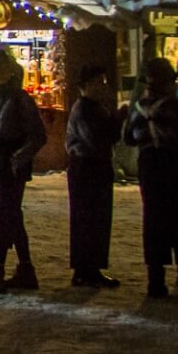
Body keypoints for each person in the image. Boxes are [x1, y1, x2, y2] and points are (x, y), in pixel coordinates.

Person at [0, 48, 47, 292]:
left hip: (9, 162)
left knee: (4, 213)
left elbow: (37, 135)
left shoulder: (20, 99)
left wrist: (18, 158)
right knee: (11, 213)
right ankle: (25, 268)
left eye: (1, 67)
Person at [125, 57, 178, 300]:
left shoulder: (139, 107)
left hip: (149, 168)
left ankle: (155, 281)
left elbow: (129, 138)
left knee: (154, 222)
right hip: (177, 166)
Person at [65, 66, 122, 288]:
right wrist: (116, 121)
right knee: (87, 219)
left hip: (94, 167)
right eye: (100, 82)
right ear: (87, 85)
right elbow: (98, 140)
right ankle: (84, 269)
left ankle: (91, 268)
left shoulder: (95, 107)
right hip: (87, 168)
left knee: (96, 220)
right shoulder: (84, 109)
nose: (104, 86)